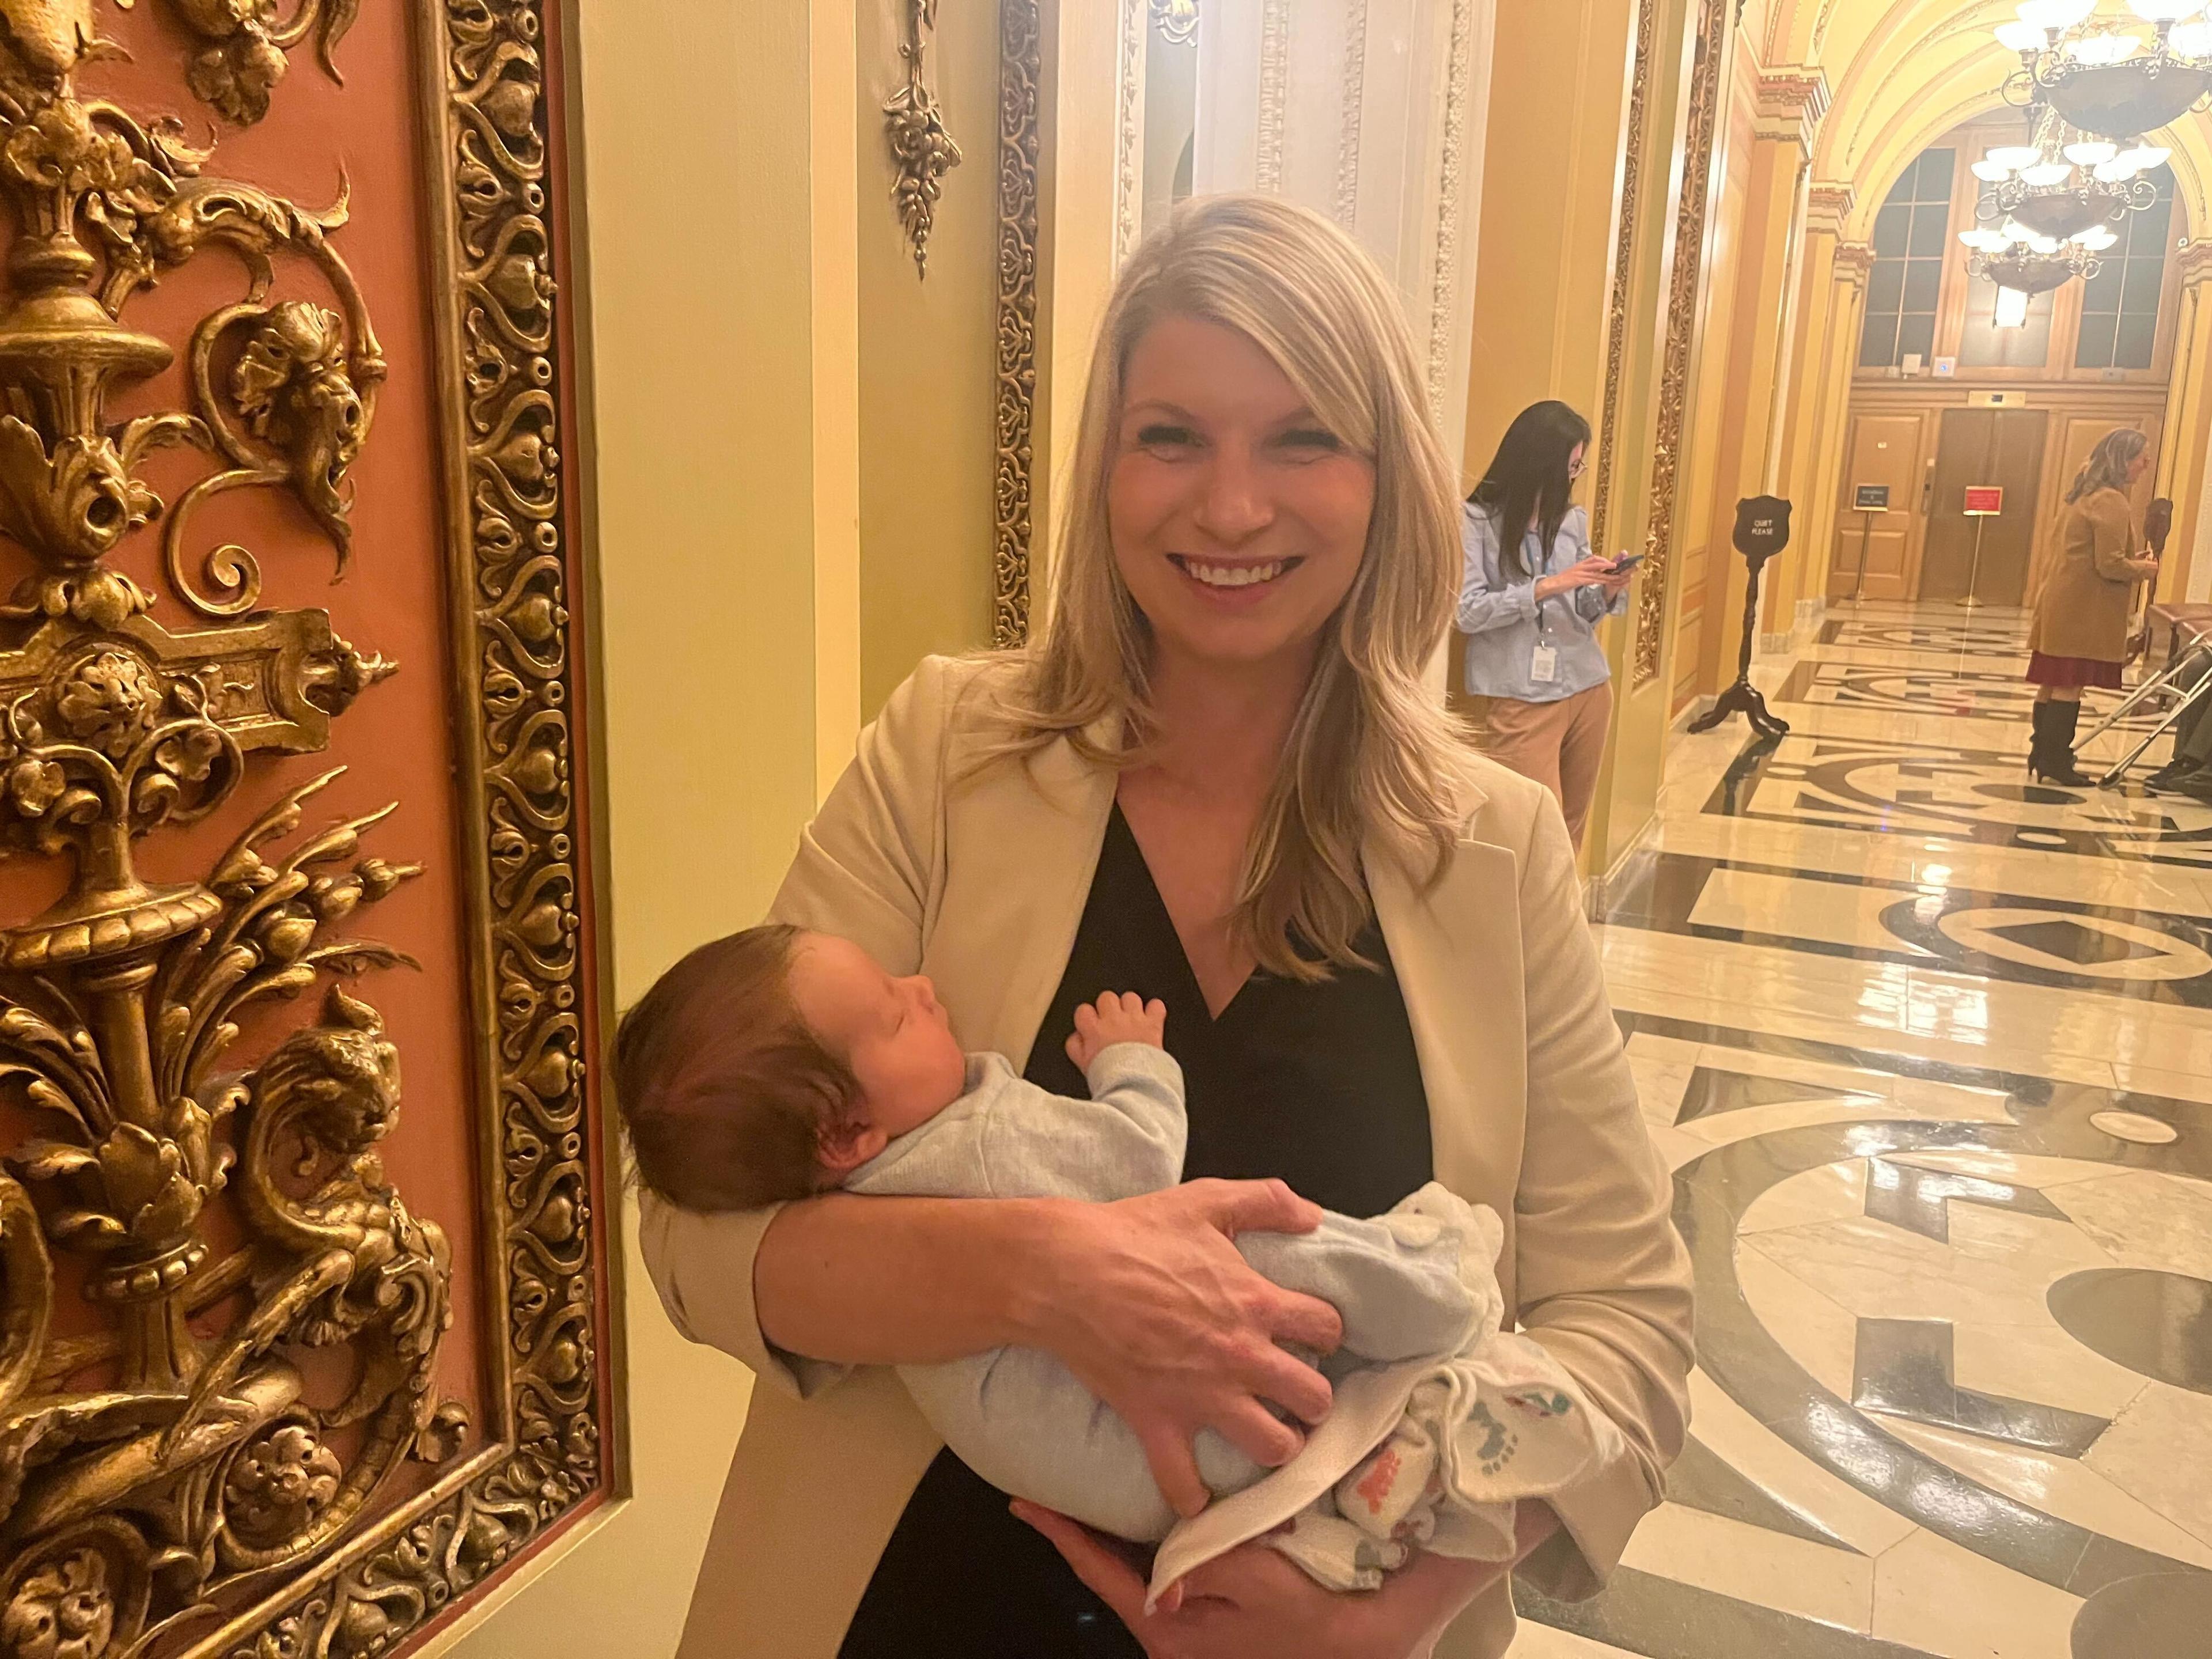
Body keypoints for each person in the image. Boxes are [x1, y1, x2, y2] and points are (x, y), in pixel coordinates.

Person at [641, 194, 1693, 1659]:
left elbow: (1628, 1330)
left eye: (1302, 439)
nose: (1230, 507)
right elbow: (701, 1237)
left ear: (1386, 477)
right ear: (1104, 465)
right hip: (904, 1607)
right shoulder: (947, 753)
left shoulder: (1492, 845)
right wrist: (1047, 1275)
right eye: (1172, 436)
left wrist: (1398, 1603)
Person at [615, 929, 1614, 1596]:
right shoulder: (981, 1141)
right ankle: (1439, 1287)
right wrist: (1131, 1062)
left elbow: (1632, 1302)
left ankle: (1353, 1512)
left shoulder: (853, 1181)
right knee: (1261, 1241)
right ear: (844, 1132)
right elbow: (1138, 1158)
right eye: (893, 1012)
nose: (924, 987)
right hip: (1161, 1446)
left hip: (1134, 1493)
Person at [1455, 402, 1633, 851]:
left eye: (1580, 465)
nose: (1575, 476)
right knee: (1529, 837)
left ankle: (1559, 923)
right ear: (1541, 464)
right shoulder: (1474, 522)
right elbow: (1468, 612)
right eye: (1571, 466)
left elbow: (1584, 610)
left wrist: (1608, 589)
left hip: (1588, 685)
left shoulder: (1572, 520)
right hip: (1521, 697)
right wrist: (1546, 586)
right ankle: (1520, 923)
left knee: (1571, 831)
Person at [2025, 427, 2160, 785]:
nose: (2145, 465)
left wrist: (2131, 561)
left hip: (2061, 601)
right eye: (2141, 458)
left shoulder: (2082, 493)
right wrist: (2143, 569)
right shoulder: (2111, 500)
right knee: (2070, 684)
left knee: (2051, 683)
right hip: (2084, 609)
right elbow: (2110, 564)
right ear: (2122, 460)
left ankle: (2041, 752)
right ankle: (2056, 760)